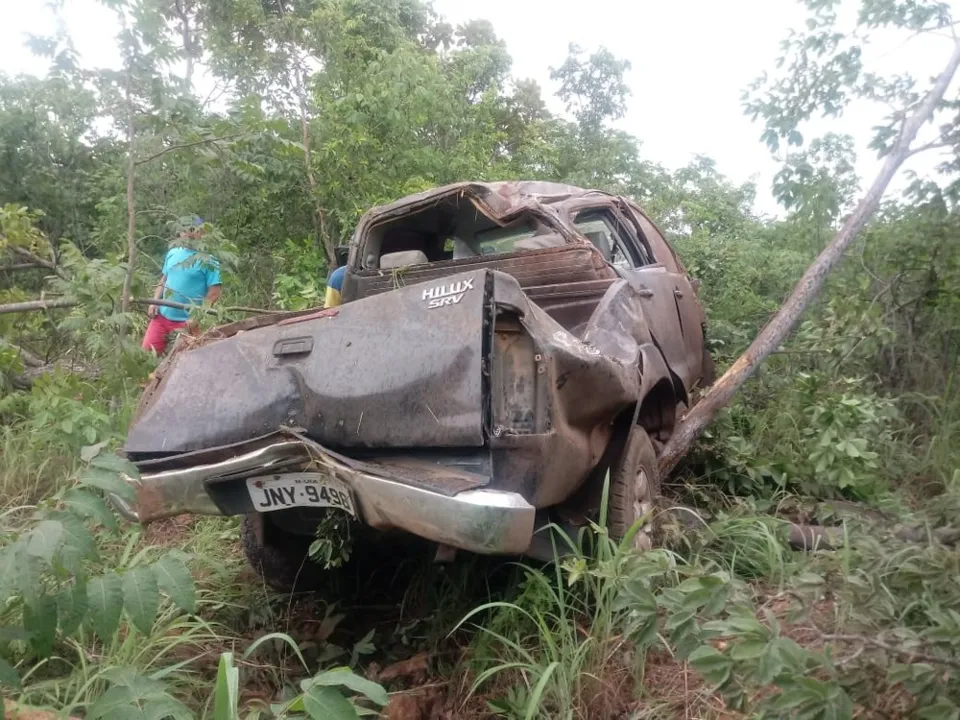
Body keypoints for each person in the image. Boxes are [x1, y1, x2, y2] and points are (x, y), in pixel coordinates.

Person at [142, 217, 222, 354]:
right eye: (185, 230)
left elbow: (214, 293)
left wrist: (197, 318)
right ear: (180, 233)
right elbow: (164, 280)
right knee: (145, 356)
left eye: (193, 230)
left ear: (201, 233)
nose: (188, 234)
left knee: (187, 362)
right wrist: (154, 302)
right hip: (161, 317)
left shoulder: (209, 261)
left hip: (187, 323)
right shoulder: (172, 253)